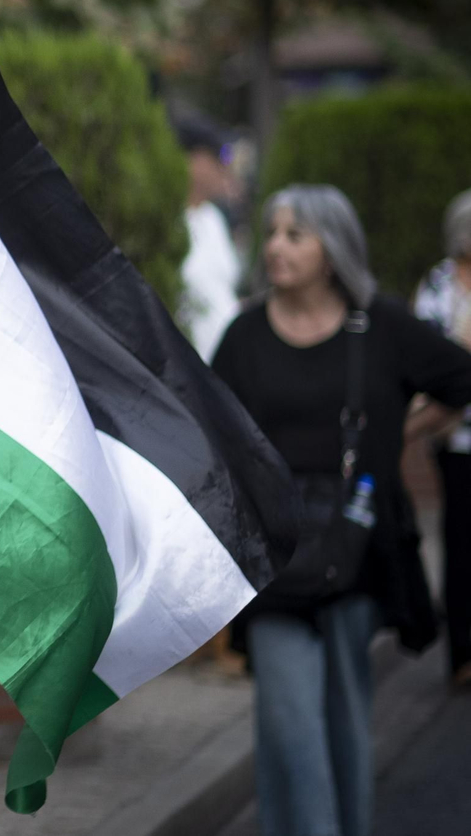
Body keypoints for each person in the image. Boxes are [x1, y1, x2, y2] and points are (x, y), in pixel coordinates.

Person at [211, 184, 471, 836]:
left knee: (345, 715)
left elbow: (460, 381)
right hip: (273, 553)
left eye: (295, 235)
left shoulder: (379, 327)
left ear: (333, 249)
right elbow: (210, 433)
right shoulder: (243, 335)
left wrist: (402, 432)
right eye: (271, 232)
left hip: (356, 546)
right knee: (290, 714)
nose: (275, 246)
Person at [411, 188, 471, 686]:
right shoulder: (438, 284)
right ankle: (463, 654)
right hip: (455, 436)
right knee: (460, 537)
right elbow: (427, 353)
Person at [176, 117, 241, 362]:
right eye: (221, 157)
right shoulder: (167, 224)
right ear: (196, 160)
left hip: (227, 366)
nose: (227, 168)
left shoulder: (212, 217)